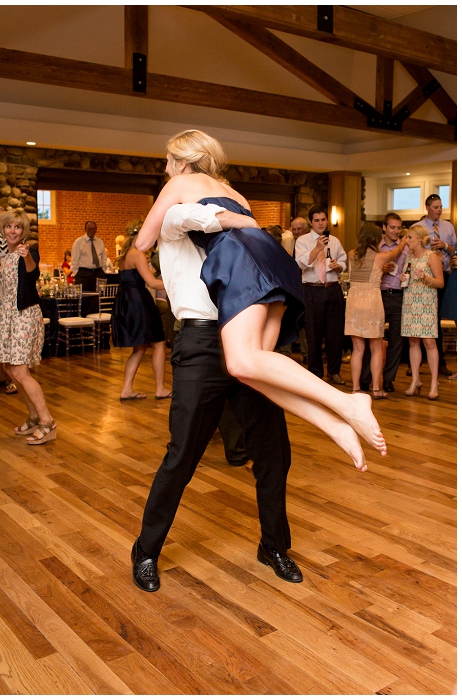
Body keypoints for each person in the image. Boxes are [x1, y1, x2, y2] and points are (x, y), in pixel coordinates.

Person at [134, 129, 384, 471]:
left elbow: (143, 241)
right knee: (253, 371)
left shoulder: (179, 184)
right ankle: (336, 426)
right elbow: (248, 228)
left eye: (168, 160)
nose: (165, 168)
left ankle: (347, 403)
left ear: (183, 161)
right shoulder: (236, 194)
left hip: (244, 271)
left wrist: (173, 217)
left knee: (241, 363)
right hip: (273, 267)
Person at [132, 198, 305, 594]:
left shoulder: (235, 236)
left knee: (274, 451)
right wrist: (243, 218)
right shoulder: (175, 218)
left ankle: (273, 546)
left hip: (248, 337)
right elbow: (203, 216)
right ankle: (146, 550)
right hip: (200, 342)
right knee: (182, 456)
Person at [0, 210, 55, 443]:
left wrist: (27, 255)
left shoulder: (27, 253)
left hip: (24, 316)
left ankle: (47, 422)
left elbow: (32, 273)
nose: (12, 231)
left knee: (20, 371)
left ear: (24, 232)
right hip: (7, 317)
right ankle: (32, 417)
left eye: (17, 227)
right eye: (9, 226)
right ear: (3, 229)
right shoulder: (4, 258)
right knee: (10, 370)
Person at [344, 223, 403, 397]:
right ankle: (376, 389)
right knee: (376, 348)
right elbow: (396, 252)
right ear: (376, 239)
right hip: (372, 303)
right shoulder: (381, 257)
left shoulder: (351, 254)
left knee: (357, 349)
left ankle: (355, 388)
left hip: (354, 302)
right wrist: (403, 241)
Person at [296, 205, 348, 385]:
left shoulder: (334, 240)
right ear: (311, 222)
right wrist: (317, 248)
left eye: (323, 220)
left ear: (327, 221)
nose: (320, 223)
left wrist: (338, 266)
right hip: (312, 289)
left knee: (335, 333)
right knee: (314, 333)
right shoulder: (302, 240)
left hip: (332, 288)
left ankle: (334, 372)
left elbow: (343, 262)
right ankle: (315, 373)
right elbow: (302, 264)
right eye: (317, 220)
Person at [111, 242, 170, 401]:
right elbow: (152, 283)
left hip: (127, 300)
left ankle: (126, 389)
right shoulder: (137, 254)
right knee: (158, 343)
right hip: (139, 302)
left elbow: (145, 273)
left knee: (139, 348)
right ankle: (160, 388)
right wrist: (176, 284)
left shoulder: (126, 255)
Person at [412, 193, 456, 379]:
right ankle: (420, 361)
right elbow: (412, 251)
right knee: (428, 322)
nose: (439, 210)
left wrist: (445, 245)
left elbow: (455, 249)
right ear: (427, 208)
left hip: (446, 277)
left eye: (441, 206)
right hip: (425, 281)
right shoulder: (418, 228)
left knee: (441, 319)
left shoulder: (447, 226)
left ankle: (440, 364)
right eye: (436, 207)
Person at [363, 213, 408, 393]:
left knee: (397, 340)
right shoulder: (375, 247)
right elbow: (366, 269)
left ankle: (389, 379)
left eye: (398, 228)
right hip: (378, 295)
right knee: (373, 338)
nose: (396, 231)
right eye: (392, 227)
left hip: (399, 295)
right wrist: (381, 269)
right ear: (384, 227)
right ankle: (366, 378)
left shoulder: (406, 248)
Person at [401, 224, 445, 400]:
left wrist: (425, 277)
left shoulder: (431, 256)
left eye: (409, 237)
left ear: (419, 239)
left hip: (426, 303)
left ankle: (434, 383)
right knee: (413, 341)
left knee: (429, 342)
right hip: (410, 302)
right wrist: (403, 279)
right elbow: (406, 279)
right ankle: (415, 380)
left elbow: (440, 282)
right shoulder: (408, 258)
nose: (406, 241)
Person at [70, 221, 109, 291]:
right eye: (89, 229)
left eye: (93, 228)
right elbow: (74, 261)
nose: (92, 230)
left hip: (98, 273)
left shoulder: (100, 242)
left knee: (97, 298)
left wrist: (103, 270)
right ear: (85, 230)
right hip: (83, 274)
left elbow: (104, 258)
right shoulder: (78, 242)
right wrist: (77, 273)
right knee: (85, 298)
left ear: (96, 229)